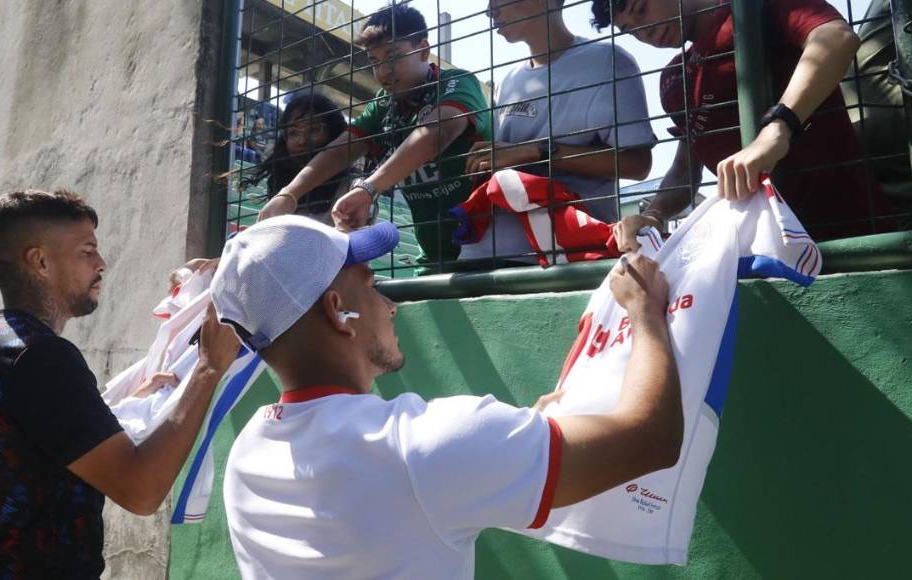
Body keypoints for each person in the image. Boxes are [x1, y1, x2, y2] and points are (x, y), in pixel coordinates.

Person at [216, 215, 683, 579]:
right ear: (340, 312)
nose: (391, 306)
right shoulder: (421, 445)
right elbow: (652, 438)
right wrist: (644, 310)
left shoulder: (245, 454)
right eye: (373, 287)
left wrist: (517, 436)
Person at [0, 189, 240, 579]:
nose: (102, 263)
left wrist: (114, 407)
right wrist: (208, 370)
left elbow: (36, 444)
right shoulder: (41, 357)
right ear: (40, 261)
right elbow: (141, 490)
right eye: (87, 251)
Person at [602, 0, 912, 250]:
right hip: (760, 251)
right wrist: (653, 214)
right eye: (632, 31)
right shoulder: (673, 79)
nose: (646, 32)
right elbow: (685, 168)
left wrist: (778, 127)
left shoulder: (756, 7)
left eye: (642, 9)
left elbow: (835, 36)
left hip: (851, 233)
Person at [258, 3, 493, 273]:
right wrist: (289, 194)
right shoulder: (383, 104)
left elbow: (435, 134)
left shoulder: (457, 82)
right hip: (433, 256)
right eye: (374, 62)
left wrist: (368, 188)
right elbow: (341, 150)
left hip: (487, 246)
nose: (383, 72)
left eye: (392, 57)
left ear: (424, 50)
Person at [461, 0, 656, 265]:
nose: (490, 10)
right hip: (482, 252)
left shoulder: (606, 61)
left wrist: (536, 152)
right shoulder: (508, 80)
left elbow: (638, 164)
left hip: (564, 257)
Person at [243, 92, 351, 224]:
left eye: (314, 130)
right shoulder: (280, 180)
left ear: (334, 133)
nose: (302, 141)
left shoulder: (350, 186)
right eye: (293, 133)